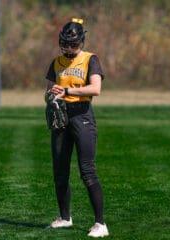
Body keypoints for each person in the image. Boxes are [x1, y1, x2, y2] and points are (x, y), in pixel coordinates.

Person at [45, 18, 109, 238]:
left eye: (73, 44)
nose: (69, 48)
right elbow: (49, 90)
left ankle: (100, 224)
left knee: (87, 171)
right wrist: (50, 98)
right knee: (60, 172)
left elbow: (95, 88)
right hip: (61, 117)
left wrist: (68, 92)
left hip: (82, 116)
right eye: (65, 43)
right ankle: (64, 218)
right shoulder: (56, 63)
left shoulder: (90, 59)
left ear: (81, 41)